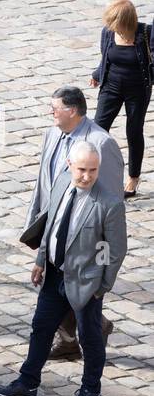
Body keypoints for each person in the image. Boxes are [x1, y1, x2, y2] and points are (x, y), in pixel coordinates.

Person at [0, 140, 127, 396]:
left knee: (89, 337)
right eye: (82, 169)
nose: (87, 176)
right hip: (55, 274)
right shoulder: (62, 181)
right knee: (41, 327)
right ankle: (28, 381)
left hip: (86, 283)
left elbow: (113, 251)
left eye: (93, 170)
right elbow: (52, 223)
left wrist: (101, 286)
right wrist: (41, 259)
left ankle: (91, 390)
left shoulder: (109, 204)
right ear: (70, 165)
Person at [22, 87, 123, 361]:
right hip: (56, 221)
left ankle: (95, 330)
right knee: (57, 284)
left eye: (55, 107)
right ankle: (68, 340)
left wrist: (102, 271)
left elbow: (111, 203)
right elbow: (45, 179)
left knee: (78, 288)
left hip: (85, 230)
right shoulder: (52, 133)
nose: (50, 112)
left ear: (73, 111)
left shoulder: (101, 144)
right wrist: (36, 219)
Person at [91, 0, 153, 198]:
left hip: (137, 89)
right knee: (98, 130)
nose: (111, 27)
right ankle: (94, 174)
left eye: (115, 23)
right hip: (111, 86)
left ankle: (133, 178)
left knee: (134, 131)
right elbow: (105, 58)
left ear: (127, 22)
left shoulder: (147, 33)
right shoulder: (108, 33)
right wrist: (96, 74)